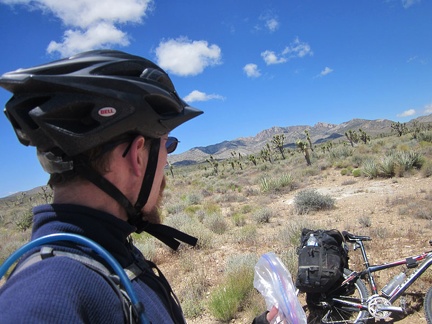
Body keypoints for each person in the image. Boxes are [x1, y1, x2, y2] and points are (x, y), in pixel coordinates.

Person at [0, 50, 276, 323]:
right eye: (168, 144)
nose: (167, 162)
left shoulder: (105, 252)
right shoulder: (45, 296)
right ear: (138, 155)